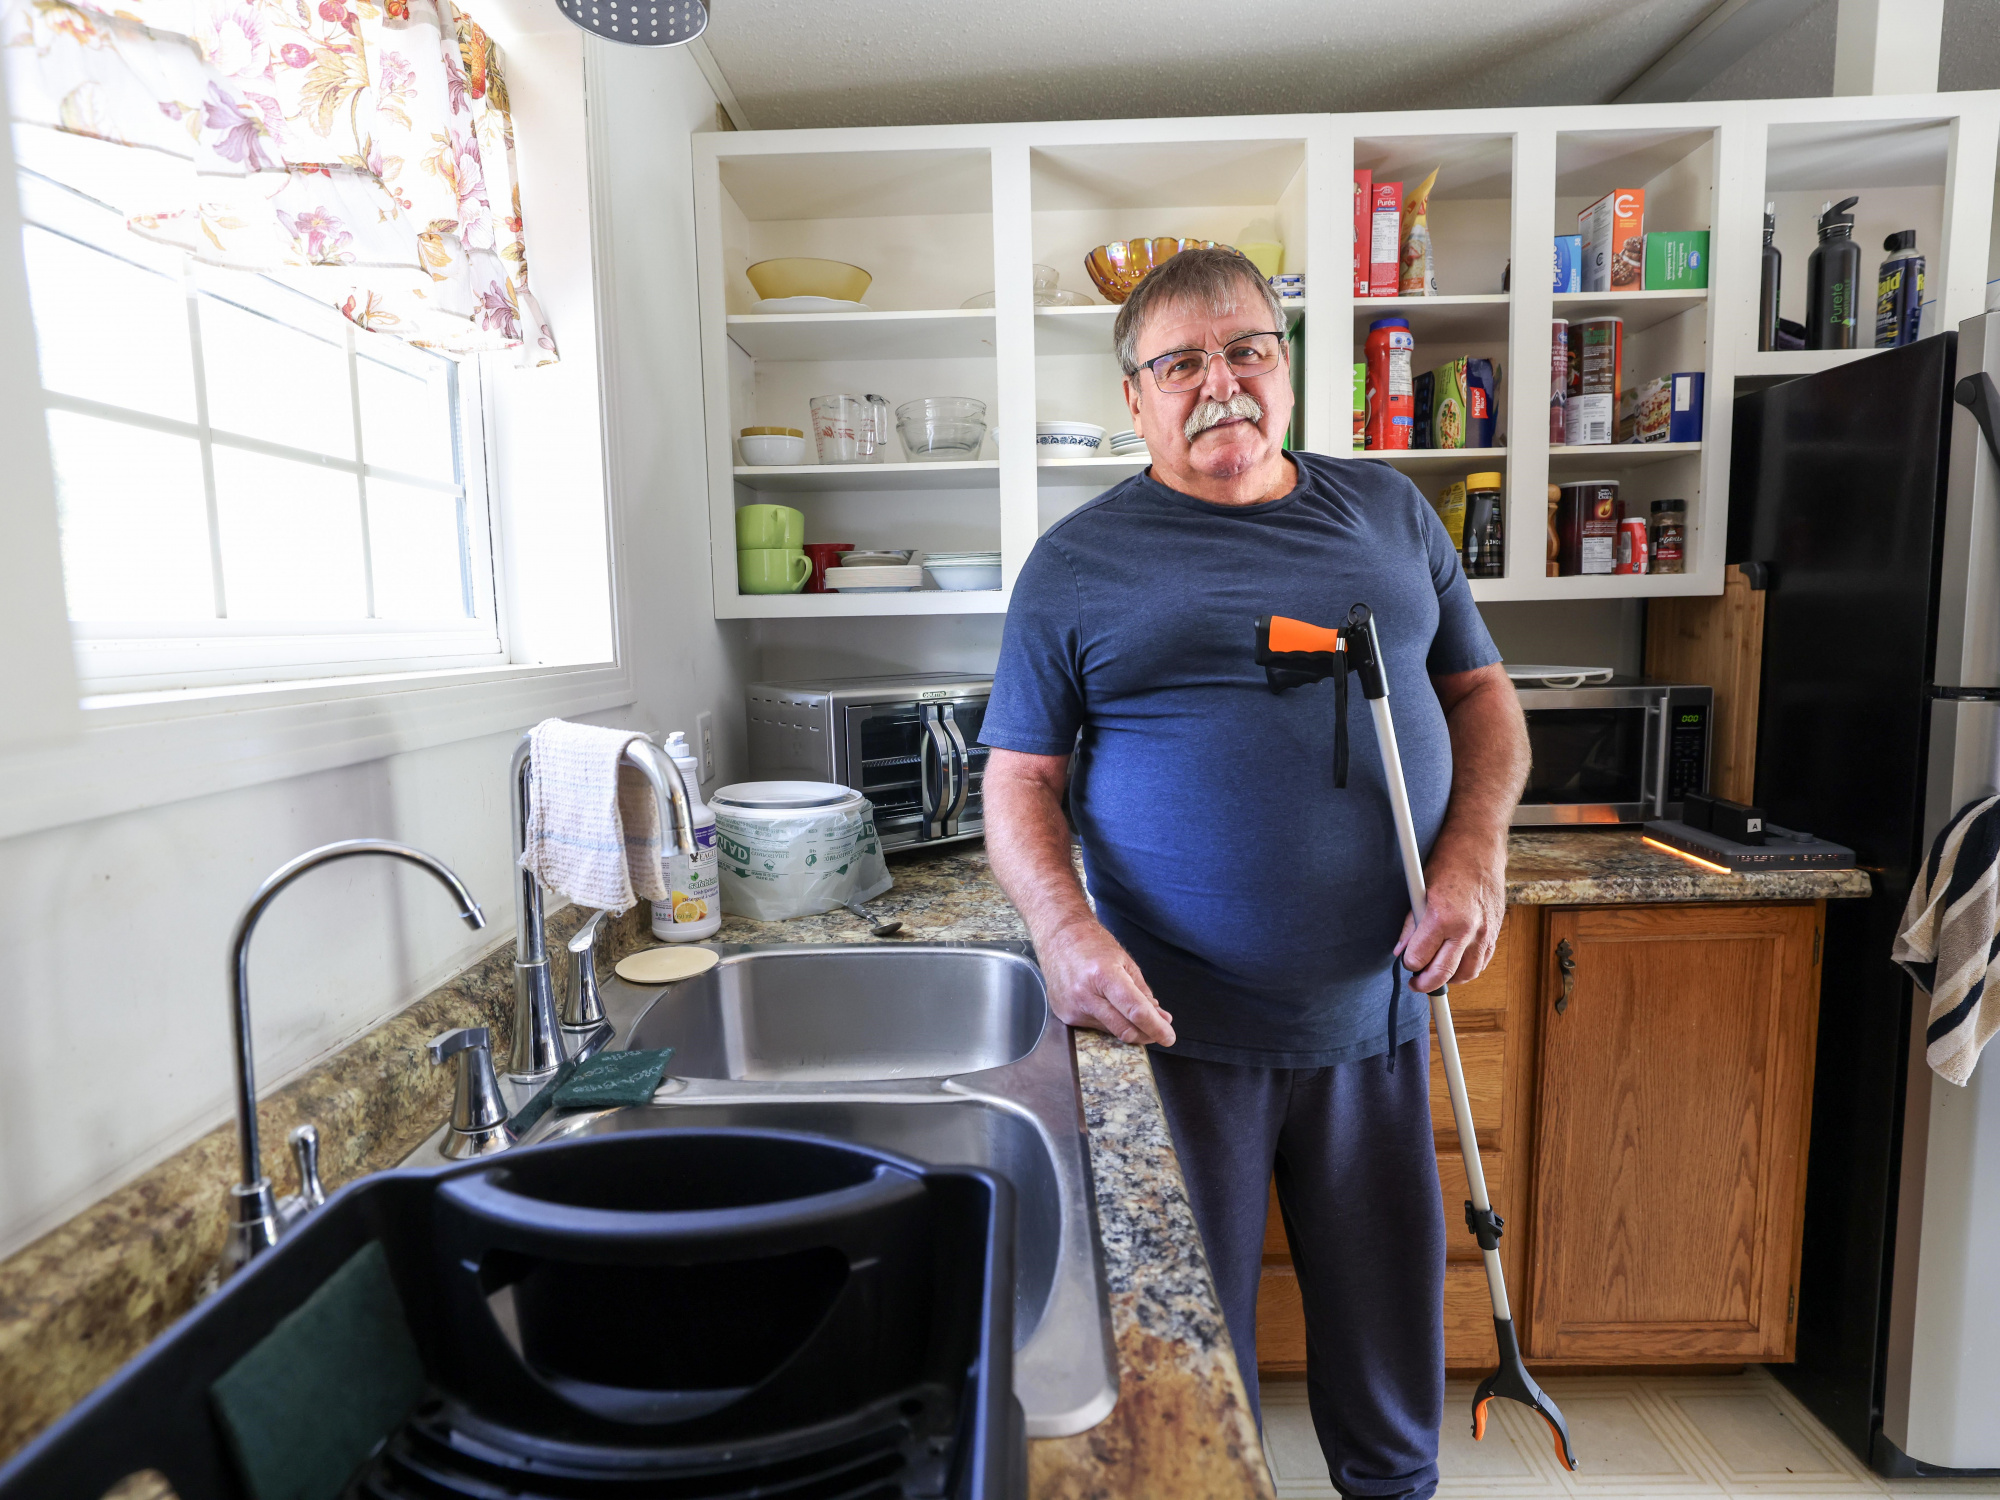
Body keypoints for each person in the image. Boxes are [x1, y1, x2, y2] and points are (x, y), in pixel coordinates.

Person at [978, 247, 1529, 1500]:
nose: (1217, 383)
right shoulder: (1074, 567)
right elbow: (1016, 783)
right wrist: (1064, 935)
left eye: (1245, 352)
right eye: (1179, 362)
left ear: (1285, 370)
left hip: (1378, 1013)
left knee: (1388, 1349)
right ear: (1134, 396)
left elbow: (1482, 695)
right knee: (1184, 1362)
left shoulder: (1389, 514)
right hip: (1173, 1032)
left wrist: (1473, 852)